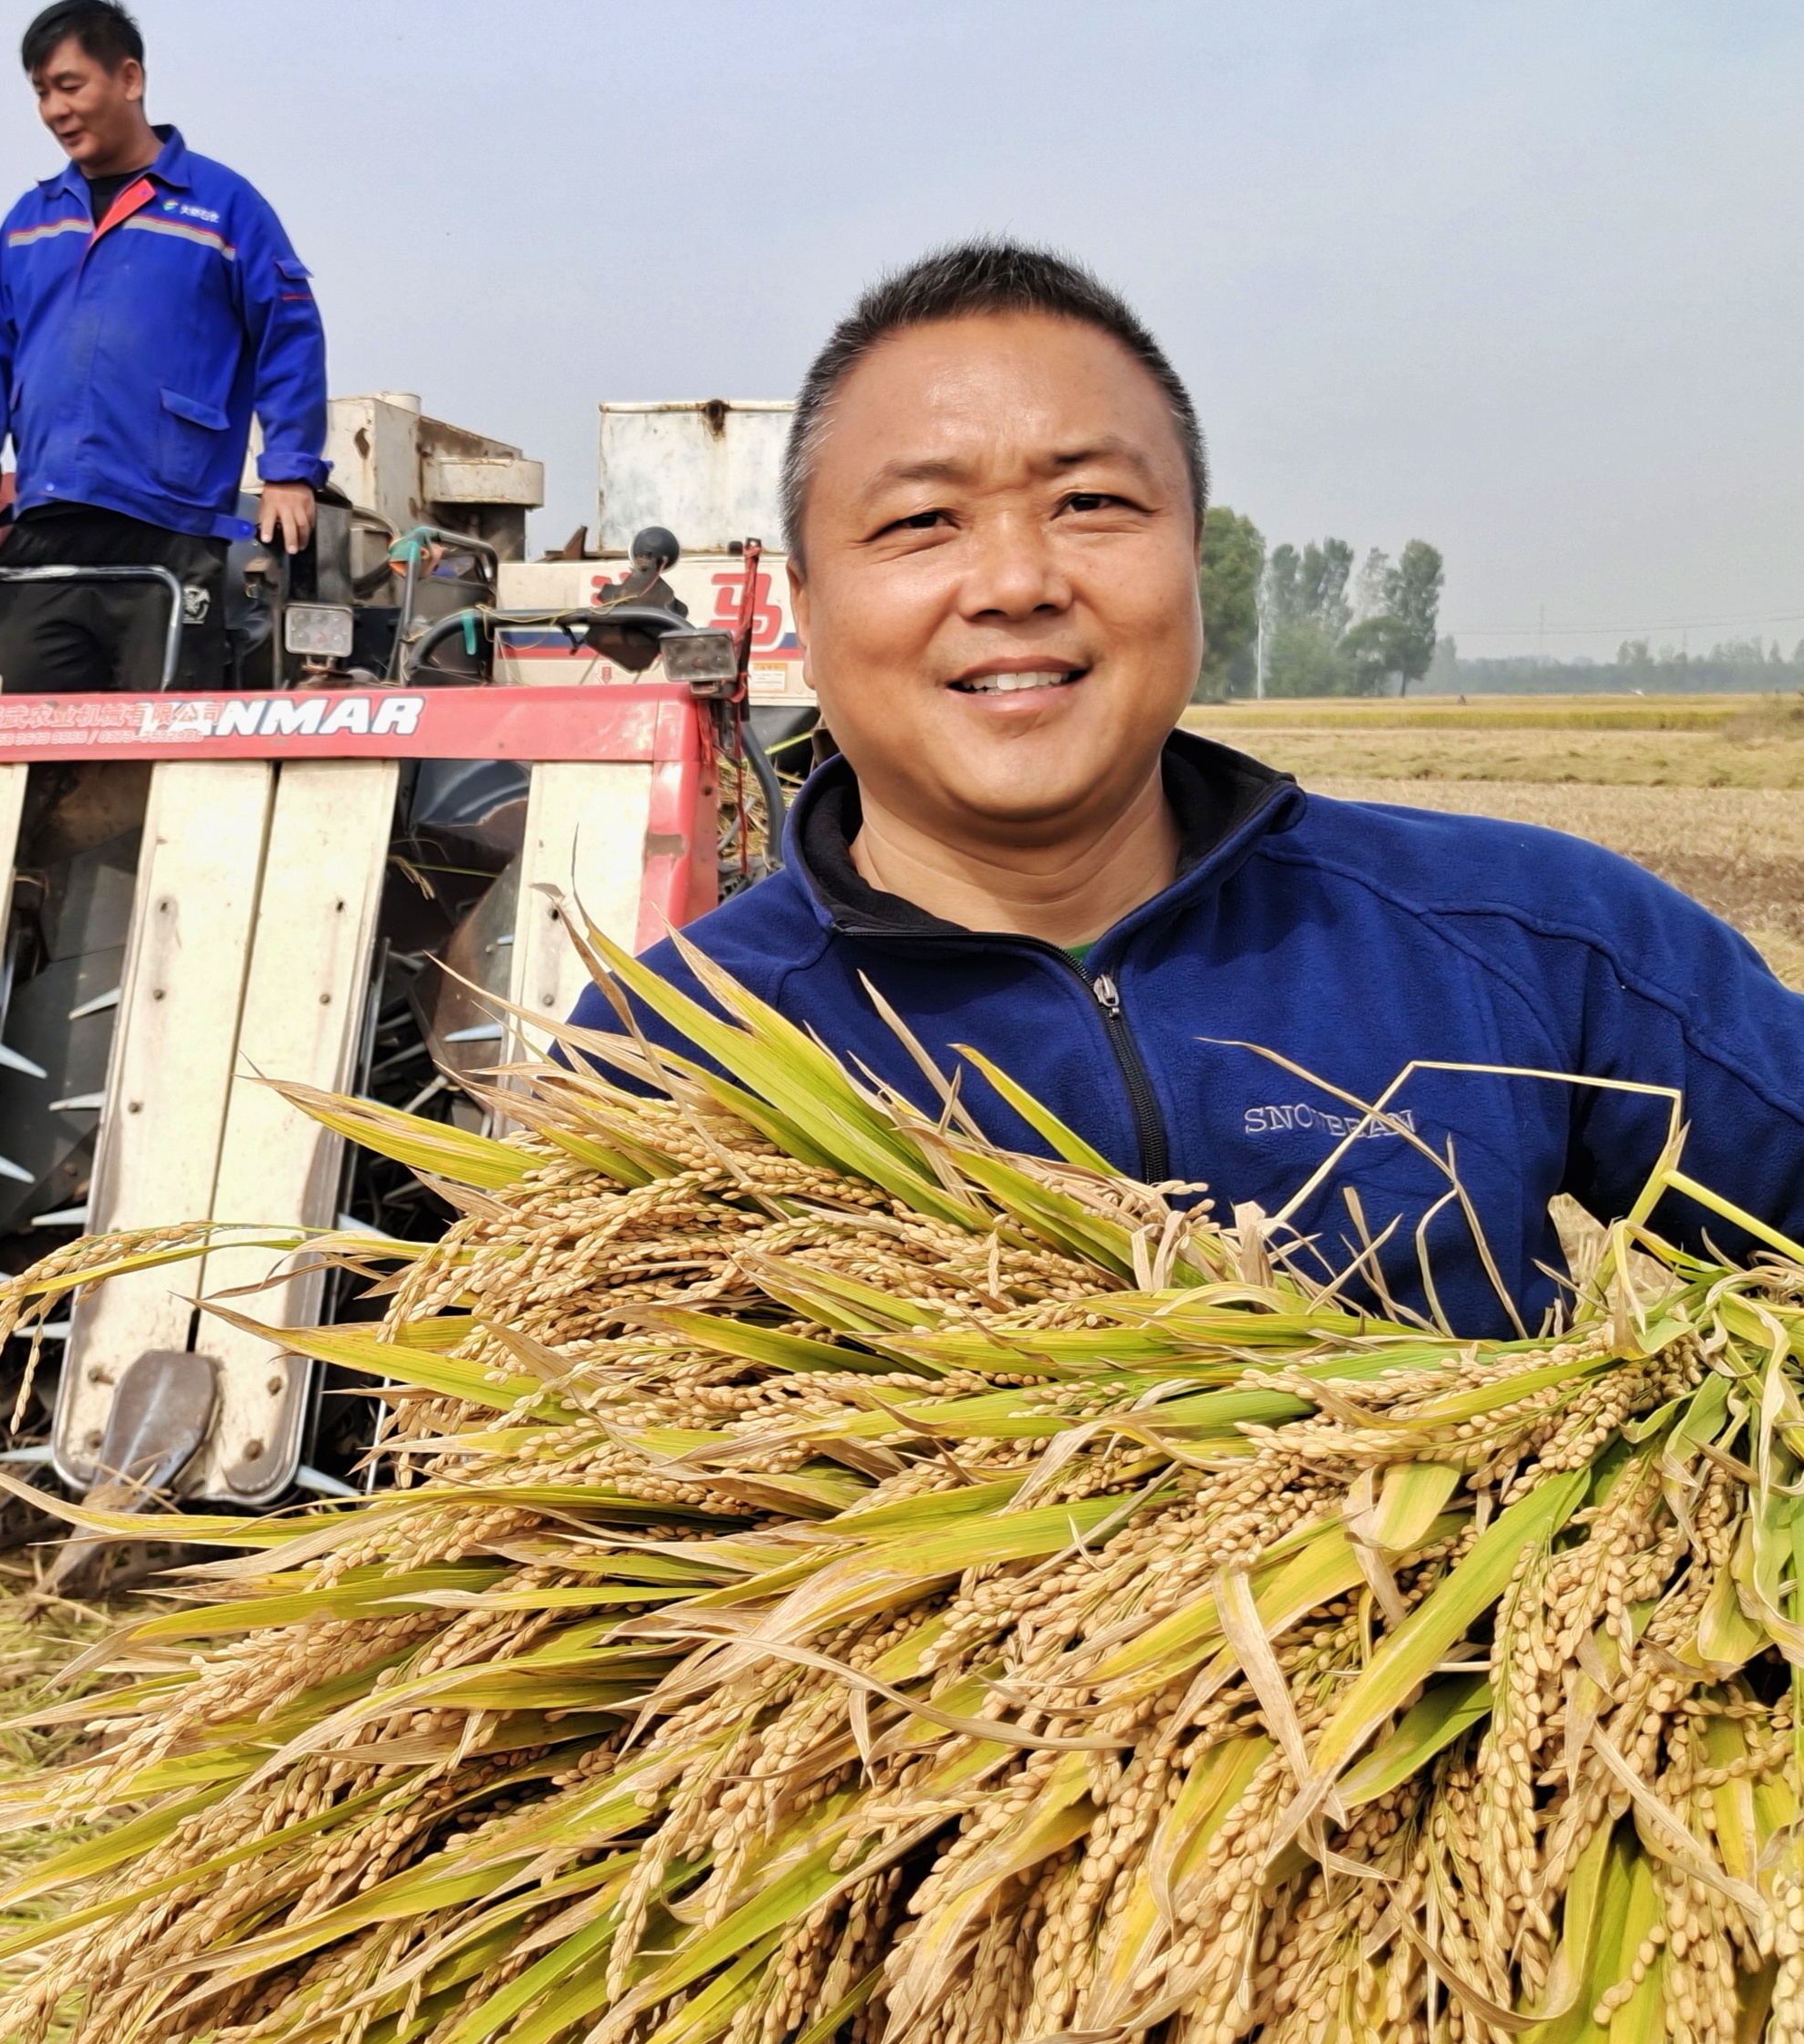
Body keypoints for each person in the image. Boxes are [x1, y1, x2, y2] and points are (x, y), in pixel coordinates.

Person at [578, 241, 1804, 1337]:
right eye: (922, 520)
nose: (1015, 580)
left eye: (1091, 503)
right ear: (805, 603)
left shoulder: (1535, 936)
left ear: (1194, 561)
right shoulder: (670, 1059)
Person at [0, 0, 329, 692]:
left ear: (129, 79)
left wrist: (289, 467)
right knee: (14, 740)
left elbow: (288, 334)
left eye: (69, 85)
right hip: (45, 522)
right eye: (41, 92)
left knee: (164, 750)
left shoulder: (223, 207)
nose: (54, 109)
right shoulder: (30, 222)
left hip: (168, 523)